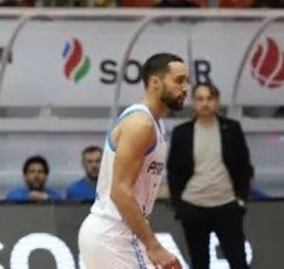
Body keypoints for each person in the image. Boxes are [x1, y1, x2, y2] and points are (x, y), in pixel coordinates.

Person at [78, 53, 190, 269]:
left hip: (114, 232)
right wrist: (154, 246)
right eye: (179, 80)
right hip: (114, 233)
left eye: (187, 81)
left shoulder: (156, 124)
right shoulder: (141, 124)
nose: (185, 88)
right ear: (155, 82)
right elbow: (120, 191)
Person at [167, 84, 251, 269]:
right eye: (200, 99)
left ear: (217, 101)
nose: (205, 103)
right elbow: (174, 172)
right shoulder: (182, 133)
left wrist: (240, 200)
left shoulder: (232, 128)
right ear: (193, 102)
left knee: (238, 261)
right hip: (193, 206)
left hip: (227, 205)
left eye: (209, 98)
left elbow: (244, 166)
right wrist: (180, 206)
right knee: (199, 262)